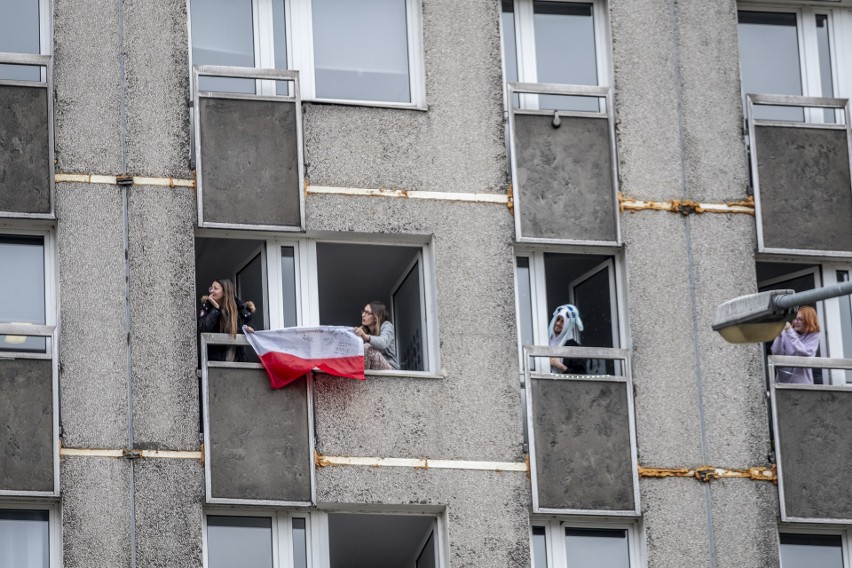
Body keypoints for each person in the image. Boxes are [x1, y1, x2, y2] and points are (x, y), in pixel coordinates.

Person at [198, 278, 256, 362]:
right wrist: (216, 309)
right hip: (214, 364)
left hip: (237, 363)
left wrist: (248, 328)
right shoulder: (207, 307)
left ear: (225, 292)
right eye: (211, 288)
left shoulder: (241, 310)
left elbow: (250, 326)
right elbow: (203, 328)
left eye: (215, 288)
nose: (211, 291)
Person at [770, 305, 820, 384]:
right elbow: (776, 353)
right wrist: (778, 336)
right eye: (796, 319)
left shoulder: (813, 335)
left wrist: (790, 332)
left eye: (800, 320)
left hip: (803, 385)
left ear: (808, 321)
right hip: (783, 384)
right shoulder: (787, 332)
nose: (796, 322)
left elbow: (805, 352)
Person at [354, 301, 399, 370]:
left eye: (367, 312)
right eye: (363, 311)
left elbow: (383, 342)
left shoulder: (387, 326)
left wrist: (365, 336)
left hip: (391, 370)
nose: (363, 314)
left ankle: (359, 378)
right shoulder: (364, 330)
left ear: (375, 317)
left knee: (367, 347)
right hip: (373, 368)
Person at [548, 304, 586, 374]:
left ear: (567, 325)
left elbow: (581, 374)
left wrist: (560, 366)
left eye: (563, 322)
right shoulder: (545, 341)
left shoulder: (574, 347)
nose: (558, 323)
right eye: (558, 319)